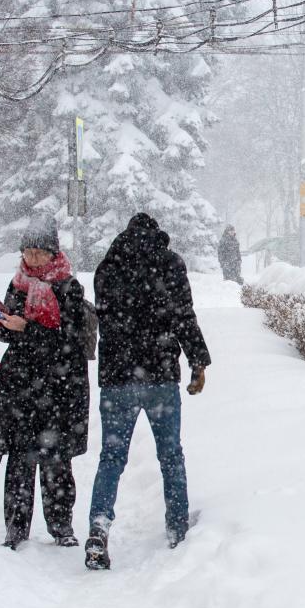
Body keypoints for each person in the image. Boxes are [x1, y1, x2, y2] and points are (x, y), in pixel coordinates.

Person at [85, 212, 211, 571]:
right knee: (170, 455)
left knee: (111, 458)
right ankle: (177, 527)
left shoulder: (107, 268)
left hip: (117, 378)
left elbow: (106, 319)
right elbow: (183, 315)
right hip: (160, 375)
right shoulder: (170, 264)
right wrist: (198, 362)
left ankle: (99, 526)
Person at [0, 227, 89, 550]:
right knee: (20, 458)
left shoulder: (68, 287)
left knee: (57, 459)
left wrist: (26, 329)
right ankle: (15, 528)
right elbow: (9, 335)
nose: (32, 258)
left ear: (53, 254)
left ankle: (61, 526)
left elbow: (70, 341)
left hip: (59, 386)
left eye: (39, 253)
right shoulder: (18, 284)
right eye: (27, 252)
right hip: (21, 385)